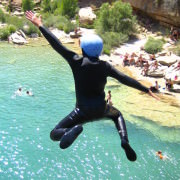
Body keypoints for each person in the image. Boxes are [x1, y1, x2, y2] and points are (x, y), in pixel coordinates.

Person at [25, 11, 159, 162]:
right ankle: (124, 141)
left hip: (81, 112)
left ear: (83, 50)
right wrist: (146, 90)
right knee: (117, 115)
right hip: (101, 109)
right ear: (100, 51)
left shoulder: (76, 61)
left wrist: (40, 25)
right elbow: (124, 78)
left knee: (54, 133)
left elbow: (57, 45)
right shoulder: (106, 66)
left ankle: (72, 130)